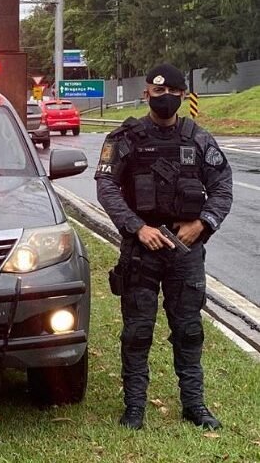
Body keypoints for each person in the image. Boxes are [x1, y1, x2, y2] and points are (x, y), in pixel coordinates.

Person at [95, 64, 233, 431]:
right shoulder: (126, 138)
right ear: (147, 94)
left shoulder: (199, 139)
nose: (165, 97)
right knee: (137, 332)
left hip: (185, 252)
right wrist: (137, 228)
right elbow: (106, 188)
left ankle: (194, 405)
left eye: (172, 91)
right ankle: (134, 407)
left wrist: (201, 223)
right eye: (158, 92)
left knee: (189, 330)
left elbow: (222, 186)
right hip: (142, 251)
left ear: (184, 96)